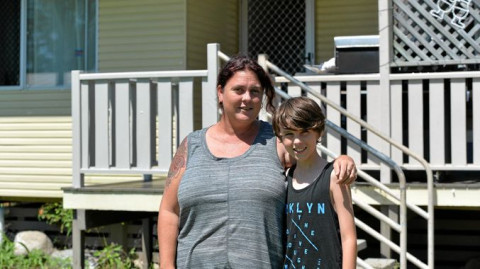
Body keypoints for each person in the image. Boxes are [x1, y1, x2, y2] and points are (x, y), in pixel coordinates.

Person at [157, 55, 357, 269]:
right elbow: (169, 211)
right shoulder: (192, 145)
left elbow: (310, 160)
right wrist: (166, 266)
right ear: (220, 92)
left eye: (255, 92)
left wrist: (343, 160)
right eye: (238, 90)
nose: (247, 98)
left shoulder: (276, 141)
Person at [272, 96, 357, 269]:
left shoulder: (334, 176)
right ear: (280, 137)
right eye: (289, 134)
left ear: (319, 132)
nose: (297, 141)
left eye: (304, 132)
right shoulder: (284, 178)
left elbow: (349, 239)